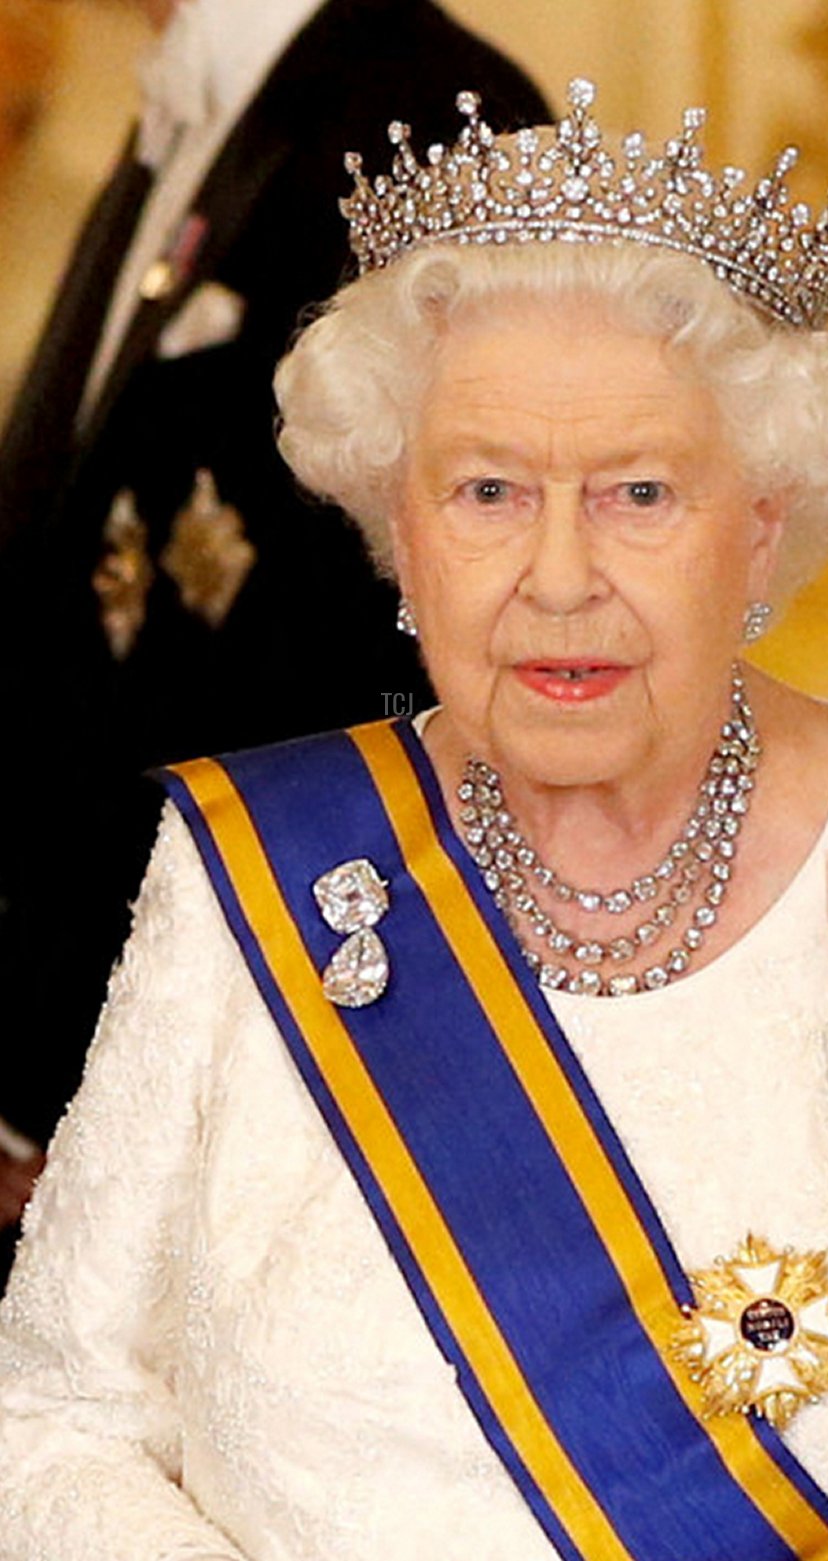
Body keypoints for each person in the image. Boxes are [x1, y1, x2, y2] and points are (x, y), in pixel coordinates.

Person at [0, 78, 828, 1561]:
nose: (559, 577)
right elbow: (56, 1421)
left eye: (640, 491)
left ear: (760, 519)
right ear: (400, 529)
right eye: (488, 490)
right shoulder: (254, 876)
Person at [0, 0, 548, 1279]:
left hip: (266, 1089)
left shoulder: (424, 107)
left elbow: (397, 668)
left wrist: (68, 1089)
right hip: (86, 1067)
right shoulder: (182, 105)